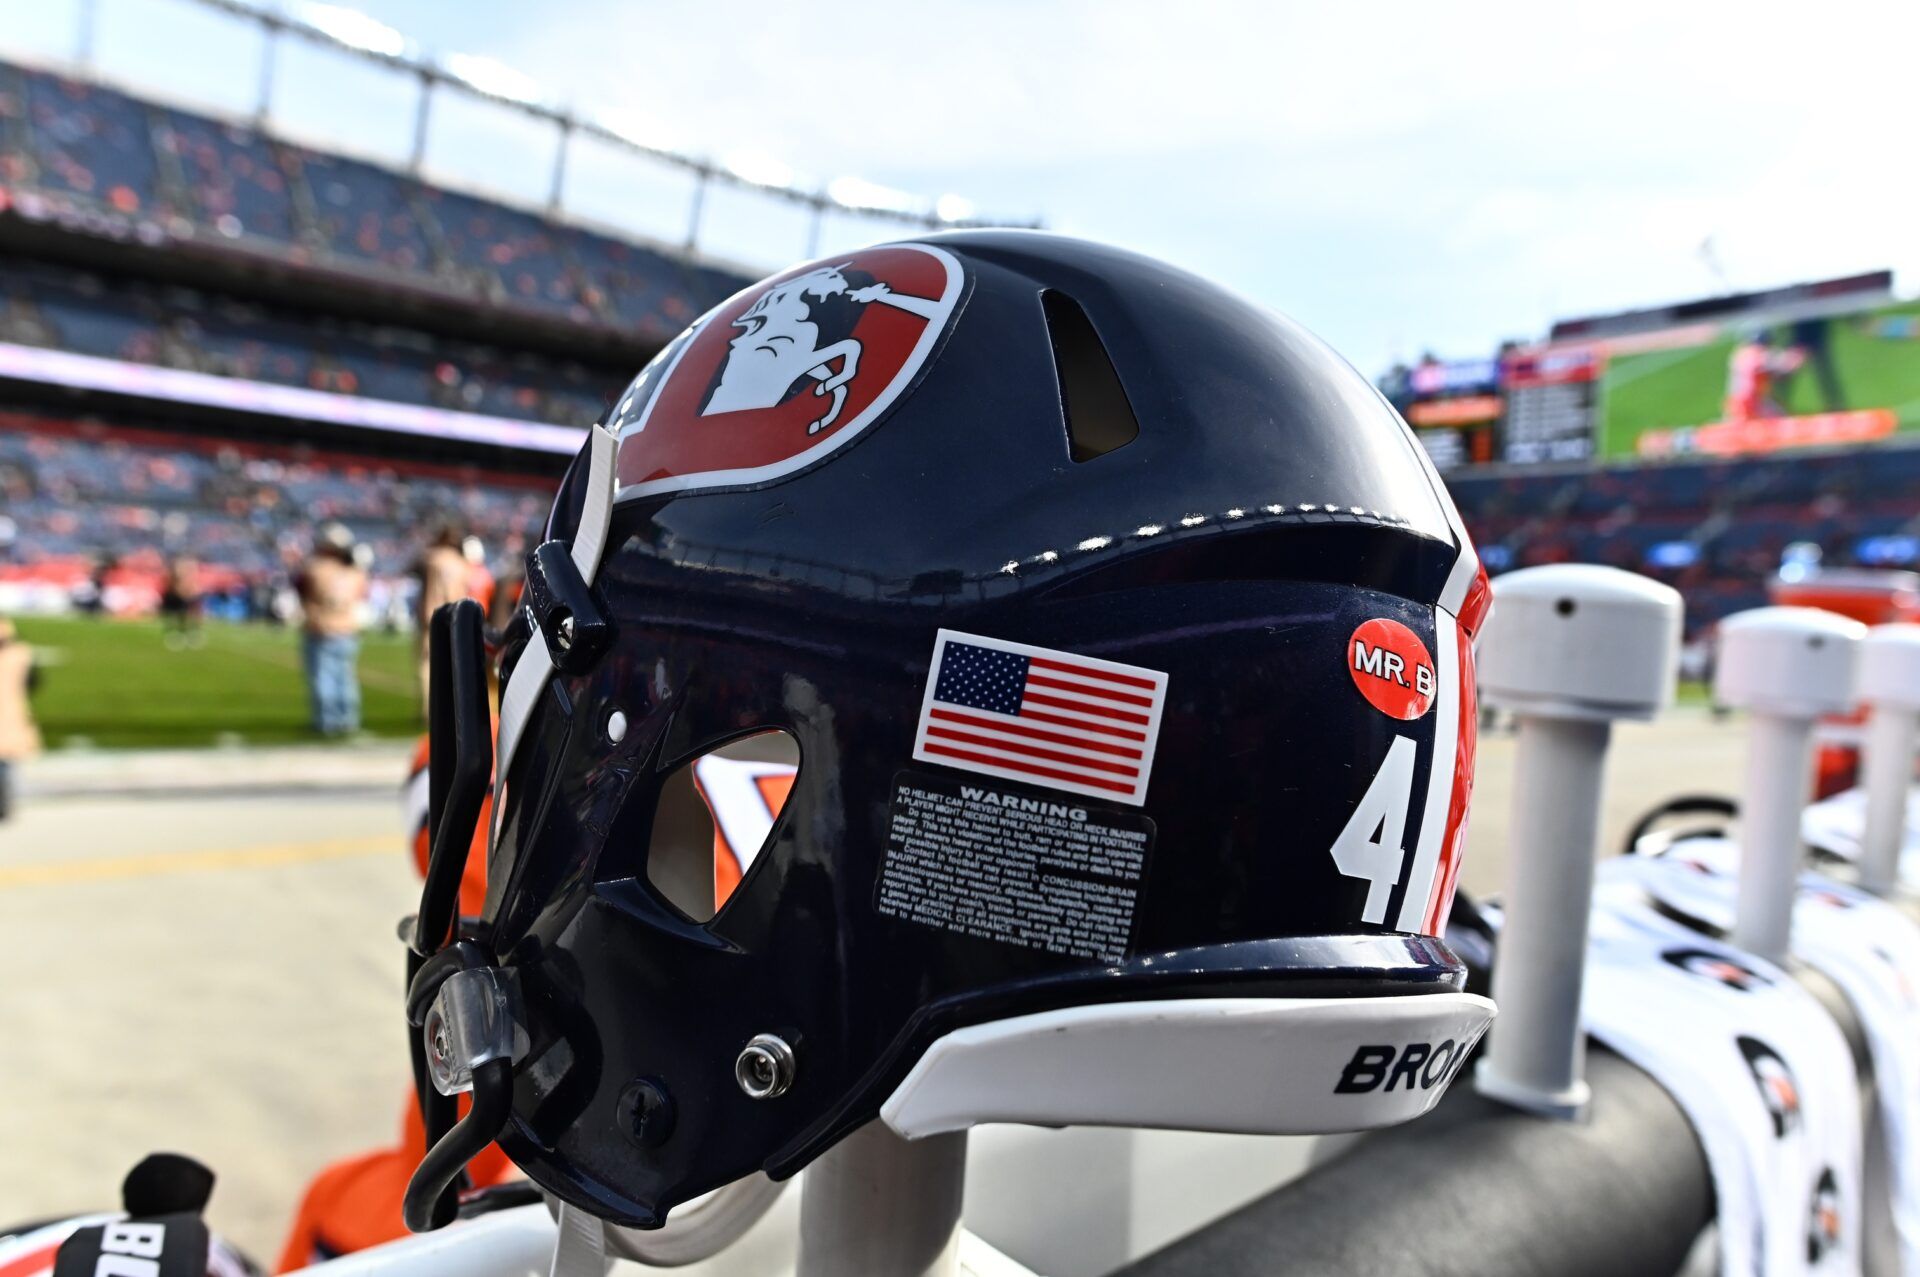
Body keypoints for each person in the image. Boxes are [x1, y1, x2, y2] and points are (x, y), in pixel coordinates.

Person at [296, 524, 368, 737]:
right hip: (348, 627)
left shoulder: (314, 568)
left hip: (322, 627)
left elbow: (301, 589)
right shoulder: (355, 571)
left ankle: (326, 721)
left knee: (323, 678)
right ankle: (348, 719)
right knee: (346, 677)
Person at [413, 525, 471, 714]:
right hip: (455, 615)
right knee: (452, 662)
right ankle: (450, 706)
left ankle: (428, 708)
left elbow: (413, 567)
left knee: (427, 663)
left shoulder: (431, 558)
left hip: (431, 614)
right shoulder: (461, 562)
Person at [0, 618, 39, 820]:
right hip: (11, 715)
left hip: (8, 715)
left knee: (5, 764)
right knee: (7, 763)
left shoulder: (17, 655)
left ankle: (5, 805)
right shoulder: (20, 654)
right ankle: (5, 805)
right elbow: (34, 682)